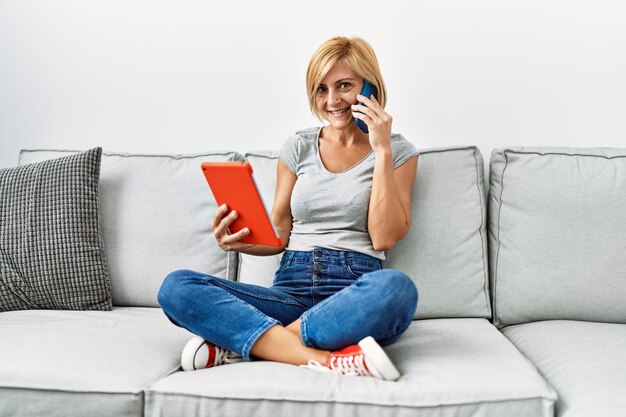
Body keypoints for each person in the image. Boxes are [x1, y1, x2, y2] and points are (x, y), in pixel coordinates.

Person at [158, 36, 419, 381]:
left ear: (370, 87)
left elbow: (384, 237)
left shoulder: (398, 152)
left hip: (351, 291)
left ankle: (248, 345)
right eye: (321, 89)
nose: (332, 100)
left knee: (396, 290)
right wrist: (236, 241)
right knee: (176, 287)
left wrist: (381, 149)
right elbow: (279, 233)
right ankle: (327, 359)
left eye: (345, 86)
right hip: (289, 290)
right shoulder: (298, 146)